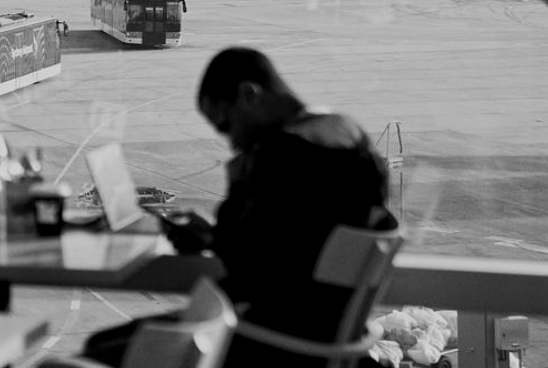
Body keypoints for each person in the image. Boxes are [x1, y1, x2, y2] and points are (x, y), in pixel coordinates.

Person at [84, 46, 395, 367]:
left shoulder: (283, 155)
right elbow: (295, 240)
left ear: (249, 95)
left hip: (267, 337)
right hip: (318, 329)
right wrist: (215, 235)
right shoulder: (348, 136)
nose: (232, 141)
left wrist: (226, 213)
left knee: (99, 349)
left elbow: (253, 269)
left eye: (228, 125)